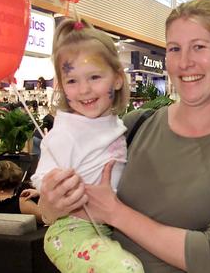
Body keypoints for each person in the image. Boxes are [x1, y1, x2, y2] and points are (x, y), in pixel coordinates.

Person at [38, 0, 210, 272]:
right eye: (175, 49)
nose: (185, 62)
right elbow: (52, 214)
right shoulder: (134, 126)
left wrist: (114, 212)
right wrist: (52, 203)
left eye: (199, 47)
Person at [31, 18, 143, 272]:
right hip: (71, 230)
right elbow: (41, 178)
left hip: (103, 229)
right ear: (61, 86)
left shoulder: (116, 124)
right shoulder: (68, 129)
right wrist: (59, 189)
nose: (84, 90)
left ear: (117, 79)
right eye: (72, 81)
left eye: (94, 77)